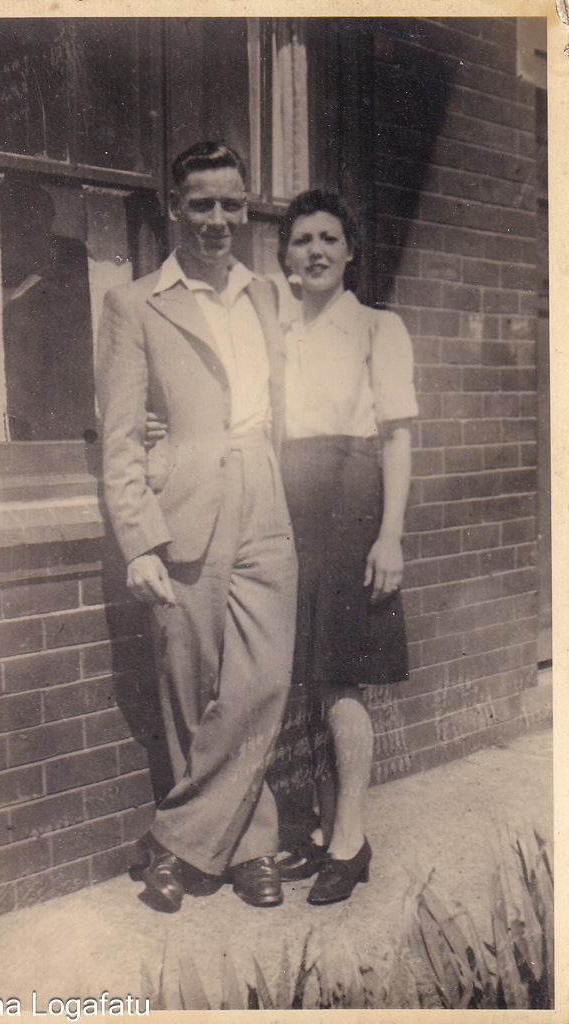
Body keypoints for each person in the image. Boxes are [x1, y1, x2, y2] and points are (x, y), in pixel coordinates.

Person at [96, 141, 297, 914]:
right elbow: (118, 436)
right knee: (191, 685)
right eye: (202, 203)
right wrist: (139, 540)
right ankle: (247, 850)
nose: (219, 220)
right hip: (183, 500)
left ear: (246, 209)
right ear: (173, 206)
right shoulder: (136, 303)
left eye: (232, 204)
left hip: (264, 496)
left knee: (263, 681)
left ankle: (174, 842)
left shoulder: (265, 295)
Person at [274, 189, 418, 905]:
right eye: (302, 239)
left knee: (337, 677)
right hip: (286, 501)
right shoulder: (278, 332)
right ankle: (322, 831)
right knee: (299, 673)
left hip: (350, 503)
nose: (317, 250)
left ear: (350, 251)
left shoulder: (377, 328)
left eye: (329, 237)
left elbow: (396, 436)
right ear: (286, 255)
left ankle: (351, 840)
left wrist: (389, 534)